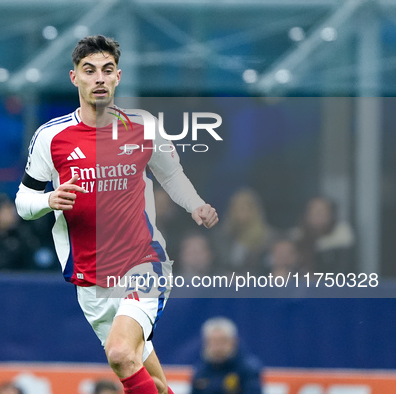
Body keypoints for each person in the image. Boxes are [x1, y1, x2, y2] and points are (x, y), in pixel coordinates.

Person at [15, 35, 218, 394]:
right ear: (74, 77)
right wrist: (48, 201)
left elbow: (170, 173)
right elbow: (23, 201)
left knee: (121, 354)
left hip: (142, 264)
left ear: (118, 77)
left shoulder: (141, 126)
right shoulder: (51, 137)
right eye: (89, 71)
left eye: (107, 71)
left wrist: (196, 204)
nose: (99, 78)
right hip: (90, 280)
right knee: (150, 379)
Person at [191, 317, 262, 394]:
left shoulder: (247, 369)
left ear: (234, 341)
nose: (218, 347)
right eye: (213, 341)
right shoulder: (202, 370)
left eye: (222, 341)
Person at [214, 189, 275, 275]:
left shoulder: (269, 237)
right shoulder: (221, 236)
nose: (241, 212)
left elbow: (266, 268)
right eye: (237, 208)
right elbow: (217, 266)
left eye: (246, 208)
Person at [291, 196, 355, 274]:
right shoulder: (296, 237)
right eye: (314, 211)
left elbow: (342, 273)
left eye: (322, 211)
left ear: (331, 215)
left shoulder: (342, 238)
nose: (318, 215)